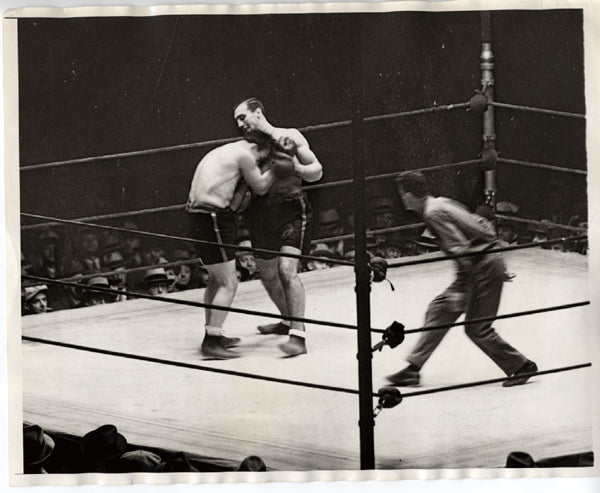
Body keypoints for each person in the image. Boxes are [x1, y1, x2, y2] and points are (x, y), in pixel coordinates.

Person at [386, 171, 537, 387]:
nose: (401, 199)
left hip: (480, 265)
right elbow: (478, 224)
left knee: (477, 328)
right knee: (440, 308)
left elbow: (461, 249)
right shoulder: (440, 202)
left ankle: (521, 366)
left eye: (402, 193)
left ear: (409, 194)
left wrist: (464, 286)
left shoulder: (432, 213)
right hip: (483, 261)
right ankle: (413, 369)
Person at [234, 98, 323, 356]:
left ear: (258, 112)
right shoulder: (246, 149)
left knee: (287, 270)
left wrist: (294, 167)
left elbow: (317, 171)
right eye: (237, 121)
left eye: (243, 117)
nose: (240, 124)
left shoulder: (290, 136)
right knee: (268, 274)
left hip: (292, 209)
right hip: (260, 212)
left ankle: (298, 336)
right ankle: (286, 322)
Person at [186, 129, 278, 359]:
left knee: (217, 281)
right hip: (212, 217)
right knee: (230, 283)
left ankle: (213, 332)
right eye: (262, 158)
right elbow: (261, 186)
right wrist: (277, 166)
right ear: (258, 148)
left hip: (198, 215)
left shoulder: (226, 151)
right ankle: (212, 341)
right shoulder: (246, 155)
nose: (259, 163)